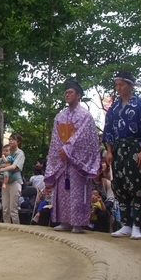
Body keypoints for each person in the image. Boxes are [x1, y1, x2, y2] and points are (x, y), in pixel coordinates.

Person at [103, 71, 141, 239]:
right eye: (116, 85)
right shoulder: (114, 108)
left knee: (137, 185)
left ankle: (137, 225)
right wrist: (109, 151)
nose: (118, 88)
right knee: (120, 185)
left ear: (131, 85)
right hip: (118, 148)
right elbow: (108, 130)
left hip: (136, 147)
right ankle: (125, 224)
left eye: (122, 84)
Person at [44, 79, 100, 233]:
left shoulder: (85, 116)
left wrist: (68, 149)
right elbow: (55, 138)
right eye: (65, 93)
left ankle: (78, 223)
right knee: (62, 191)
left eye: (70, 92)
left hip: (78, 161)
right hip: (63, 161)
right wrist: (60, 151)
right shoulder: (59, 116)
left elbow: (84, 137)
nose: (67, 95)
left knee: (77, 191)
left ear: (78, 95)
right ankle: (64, 221)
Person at [0, 132, 25, 224]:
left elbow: (13, 167)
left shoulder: (20, 153)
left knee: (13, 209)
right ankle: (7, 228)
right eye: (10, 139)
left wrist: (0, 170)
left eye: (13, 140)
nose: (10, 141)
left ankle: (17, 229)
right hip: (5, 182)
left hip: (15, 181)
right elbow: (5, 163)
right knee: (5, 208)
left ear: (18, 141)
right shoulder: (9, 152)